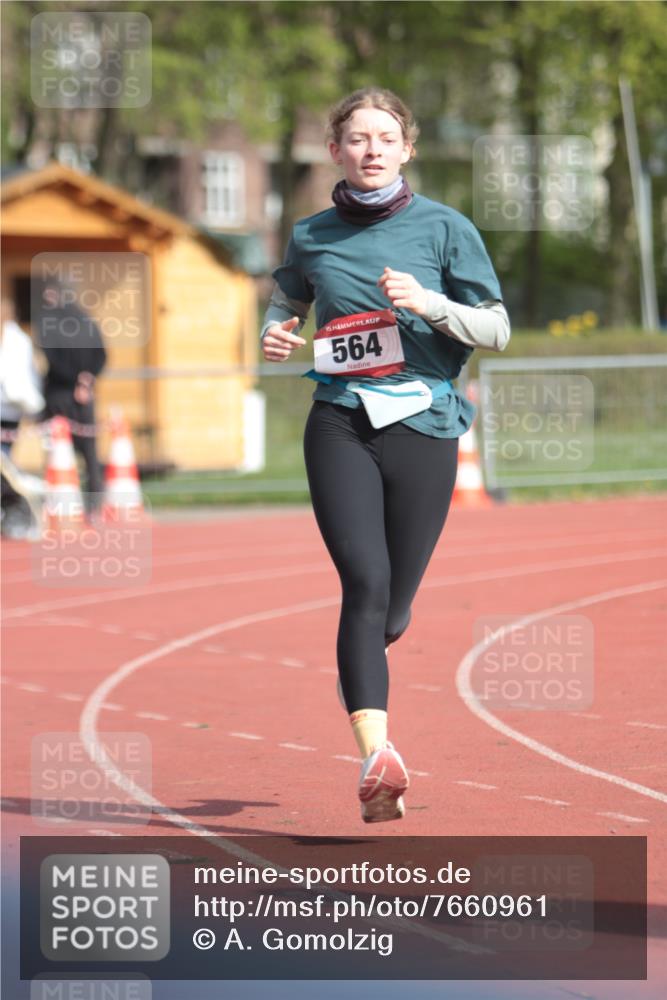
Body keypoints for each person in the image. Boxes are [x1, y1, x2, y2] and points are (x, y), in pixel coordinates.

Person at [261, 88, 510, 823]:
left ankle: (368, 662)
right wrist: (277, 330)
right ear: (334, 150)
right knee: (363, 583)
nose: (370, 149)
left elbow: (495, 329)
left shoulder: (445, 228)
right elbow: (287, 300)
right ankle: (376, 757)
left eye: (384, 136)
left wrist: (429, 305)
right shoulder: (311, 234)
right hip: (339, 421)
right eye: (355, 138)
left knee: (391, 610)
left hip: (424, 425)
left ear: (407, 147)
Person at [34, 279, 107, 514]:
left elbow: (53, 359)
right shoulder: (86, 319)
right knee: (89, 451)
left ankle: (58, 507)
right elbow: (102, 355)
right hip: (84, 394)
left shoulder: (49, 321)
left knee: (57, 449)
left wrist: (74, 381)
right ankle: (94, 507)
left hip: (59, 394)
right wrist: (86, 380)